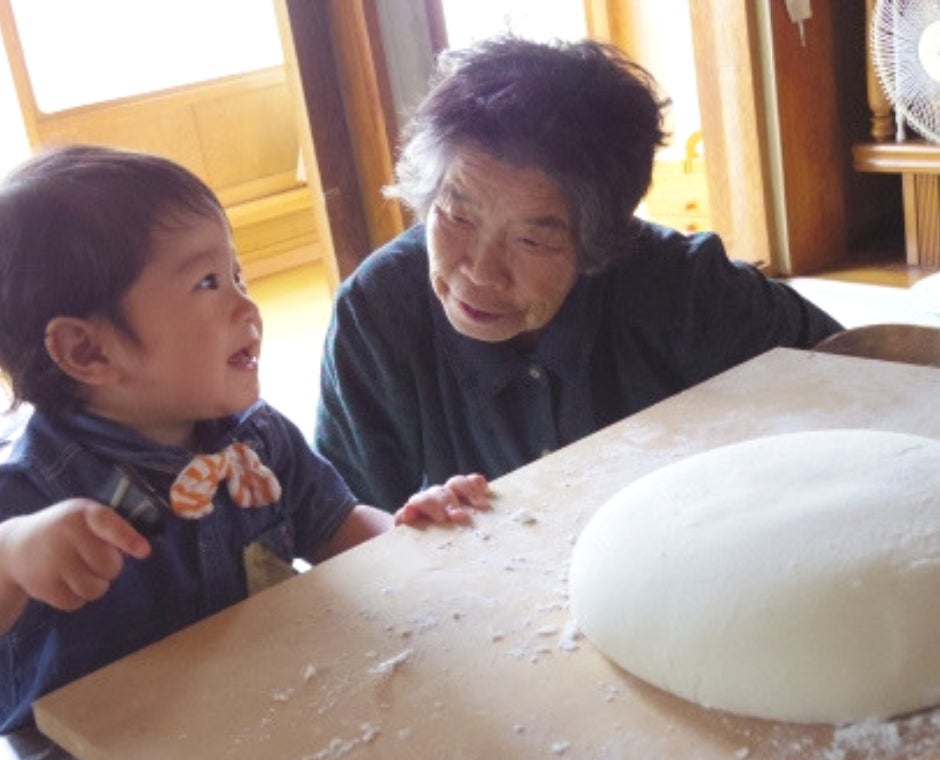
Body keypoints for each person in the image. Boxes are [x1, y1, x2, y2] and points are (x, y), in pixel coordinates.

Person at [0, 145, 490, 733]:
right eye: (208, 282)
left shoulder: (259, 438)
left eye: (238, 275)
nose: (247, 305)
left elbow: (337, 530)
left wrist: (415, 535)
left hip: (256, 720)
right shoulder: (31, 491)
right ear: (87, 350)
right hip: (91, 758)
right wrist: (13, 558)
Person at [314, 36, 844, 513]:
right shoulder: (378, 311)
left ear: (602, 242)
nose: (480, 271)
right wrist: (410, 526)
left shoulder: (684, 290)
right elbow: (340, 530)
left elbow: (856, 377)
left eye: (531, 240)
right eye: (456, 216)